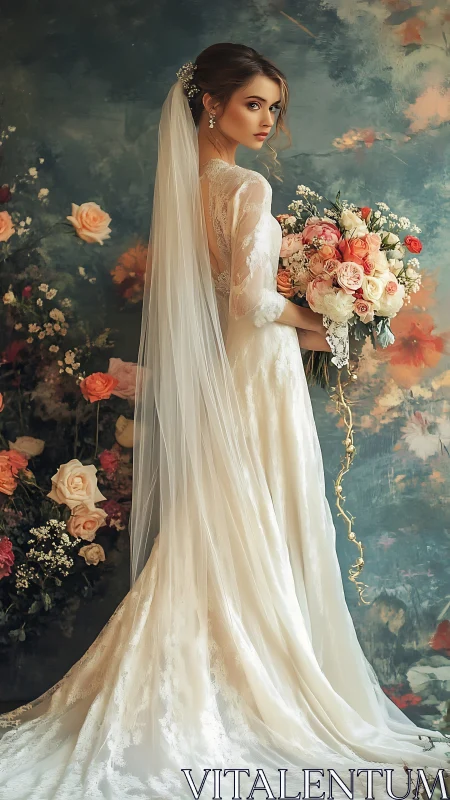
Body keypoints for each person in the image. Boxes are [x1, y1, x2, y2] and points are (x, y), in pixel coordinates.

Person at [0, 42, 448, 800]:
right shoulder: (245, 188)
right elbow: (250, 304)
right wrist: (332, 309)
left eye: (274, 106)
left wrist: (326, 325)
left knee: (236, 524)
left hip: (239, 375)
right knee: (266, 518)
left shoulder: (191, 191)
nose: (268, 119)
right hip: (256, 381)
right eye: (253, 103)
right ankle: (265, 685)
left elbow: (227, 309)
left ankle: (228, 670)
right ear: (211, 103)